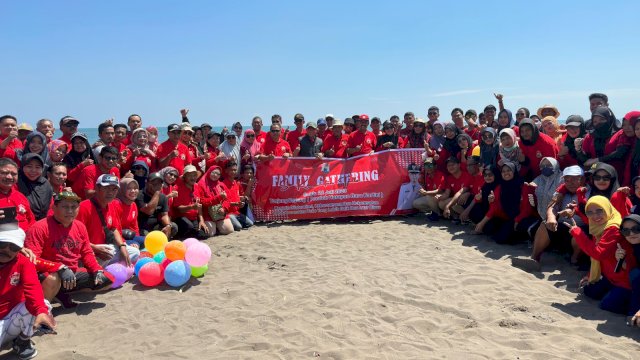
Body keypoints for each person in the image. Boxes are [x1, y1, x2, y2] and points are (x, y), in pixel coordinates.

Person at [25, 191, 112, 305]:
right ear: (54, 207)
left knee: (107, 280)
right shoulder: (39, 228)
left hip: (72, 272)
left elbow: (87, 252)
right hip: (48, 273)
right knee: (53, 279)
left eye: (74, 207)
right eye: (65, 206)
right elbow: (32, 260)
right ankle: (42, 308)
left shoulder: (80, 226)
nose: (70, 211)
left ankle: (60, 293)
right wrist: (59, 268)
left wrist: (96, 269)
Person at [566, 196, 636, 315]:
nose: (595, 216)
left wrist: (577, 233)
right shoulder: (600, 225)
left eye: (600, 210)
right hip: (611, 277)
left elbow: (598, 254)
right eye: (590, 212)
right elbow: (597, 255)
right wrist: (590, 274)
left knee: (607, 305)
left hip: (625, 280)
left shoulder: (613, 227)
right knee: (589, 291)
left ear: (607, 209)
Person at [512, 166, 587, 271]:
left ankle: (575, 259)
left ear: (582, 179)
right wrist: (551, 218)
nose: (570, 182)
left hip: (582, 227)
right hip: (562, 226)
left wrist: (575, 211)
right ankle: (534, 258)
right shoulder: (561, 190)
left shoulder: (589, 192)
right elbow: (551, 206)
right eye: (567, 179)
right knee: (545, 224)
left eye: (574, 179)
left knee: (579, 233)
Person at [0, 228, 56, 360]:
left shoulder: (23, 262)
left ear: (20, 249)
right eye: (2, 244)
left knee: (43, 306)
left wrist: (41, 311)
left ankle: (22, 341)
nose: (6, 250)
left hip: (12, 315)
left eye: (13, 247)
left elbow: (32, 287)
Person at [76, 175, 138, 266]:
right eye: (107, 188)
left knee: (134, 252)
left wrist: (122, 246)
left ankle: (107, 269)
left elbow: (114, 228)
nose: (110, 192)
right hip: (87, 251)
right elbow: (75, 239)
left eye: (114, 189)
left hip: (105, 249)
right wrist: (96, 249)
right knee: (111, 254)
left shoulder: (112, 204)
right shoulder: (83, 207)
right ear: (97, 188)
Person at [473, 161, 539, 244]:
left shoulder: (523, 186)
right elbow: (495, 208)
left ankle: (528, 235)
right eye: (503, 171)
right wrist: (491, 202)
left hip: (523, 217)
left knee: (503, 237)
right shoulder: (501, 187)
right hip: (507, 217)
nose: (506, 173)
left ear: (514, 171)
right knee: (492, 231)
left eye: (509, 170)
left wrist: (517, 220)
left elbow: (527, 209)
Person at [135, 173, 178, 239]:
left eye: (159, 183)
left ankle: (163, 241)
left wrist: (168, 225)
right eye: (154, 183)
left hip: (155, 225)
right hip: (142, 227)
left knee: (173, 226)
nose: (156, 185)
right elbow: (149, 211)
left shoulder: (163, 197)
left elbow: (164, 215)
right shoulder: (140, 195)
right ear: (147, 183)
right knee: (146, 238)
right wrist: (157, 192)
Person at [171, 165, 208, 239]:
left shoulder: (196, 186)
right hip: (181, 217)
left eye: (194, 175)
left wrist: (201, 220)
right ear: (184, 177)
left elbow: (199, 205)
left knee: (204, 235)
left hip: (193, 218)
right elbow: (178, 209)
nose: (193, 178)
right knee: (189, 228)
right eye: (190, 175)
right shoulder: (177, 188)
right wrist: (192, 207)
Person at [0, 158, 35, 232]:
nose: (9, 177)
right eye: (4, 173)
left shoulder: (20, 196)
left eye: (13, 174)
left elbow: (31, 220)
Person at [618, 214, 640, 326]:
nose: (631, 234)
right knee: (608, 305)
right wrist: (620, 260)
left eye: (636, 229)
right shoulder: (631, 246)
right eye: (626, 231)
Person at [17, 154, 53, 221]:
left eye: (37, 167)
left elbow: (51, 206)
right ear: (22, 167)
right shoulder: (16, 182)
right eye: (29, 166)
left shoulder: (45, 183)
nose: (33, 170)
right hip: (22, 223)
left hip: (43, 223)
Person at [221, 162, 254, 230]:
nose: (233, 172)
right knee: (239, 227)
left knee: (250, 223)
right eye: (231, 170)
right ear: (226, 171)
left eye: (235, 170)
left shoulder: (237, 183)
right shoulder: (222, 184)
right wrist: (236, 204)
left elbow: (239, 197)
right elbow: (222, 202)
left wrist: (243, 199)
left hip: (236, 212)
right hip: (228, 213)